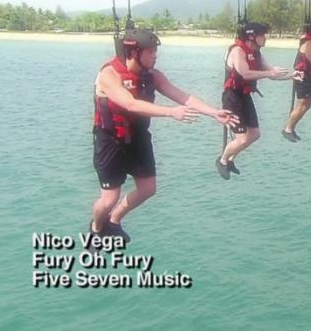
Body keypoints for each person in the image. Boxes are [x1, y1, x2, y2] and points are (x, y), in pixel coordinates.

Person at [91, 27, 238, 242]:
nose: (155, 56)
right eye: (150, 52)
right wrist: (171, 113)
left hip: (138, 139)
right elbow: (131, 104)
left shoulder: (153, 76)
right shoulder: (109, 75)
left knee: (148, 189)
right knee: (109, 199)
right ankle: (96, 228)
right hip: (111, 141)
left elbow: (182, 96)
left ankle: (114, 221)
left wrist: (213, 112)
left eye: (156, 51)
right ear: (134, 52)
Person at [218, 22, 299, 178]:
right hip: (232, 98)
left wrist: (291, 75)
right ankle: (222, 160)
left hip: (244, 96)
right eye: (261, 35)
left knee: (255, 134)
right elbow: (245, 73)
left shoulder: (257, 54)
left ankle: (230, 160)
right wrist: (269, 74)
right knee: (242, 139)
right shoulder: (237, 51)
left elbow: (272, 73)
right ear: (251, 36)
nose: (265, 38)